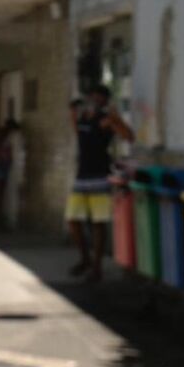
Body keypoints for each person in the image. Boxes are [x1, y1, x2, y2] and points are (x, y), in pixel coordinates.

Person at [66, 85, 134, 281]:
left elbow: (129, 136)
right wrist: (73, 111)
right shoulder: (82, 118)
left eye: (99, 98)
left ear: (104, 100)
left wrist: (116, 119)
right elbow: (77, 132)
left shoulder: (105, 119)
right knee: (73, 219)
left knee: (98, 222)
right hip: (82, 175)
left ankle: (96, 267)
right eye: (92, 97)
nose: (94, 101)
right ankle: (85, 258)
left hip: (99, 175)